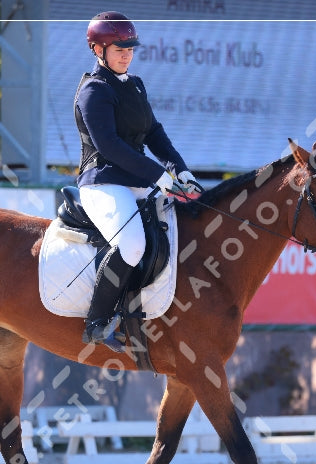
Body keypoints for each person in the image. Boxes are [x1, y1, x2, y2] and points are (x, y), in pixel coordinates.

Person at [74, 10, 203, 353]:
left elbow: (154, 133)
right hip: (103, 182)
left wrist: (180, 169)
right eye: (119, 48)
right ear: (98, 50)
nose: (127, 53)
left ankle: (143, 314)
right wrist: (158, 176)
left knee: (180, 234)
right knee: (132, 245)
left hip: (139, 181)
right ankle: (97, 322)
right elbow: (110, 147)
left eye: (130, 47)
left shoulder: (135, 84)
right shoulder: (93, 91)